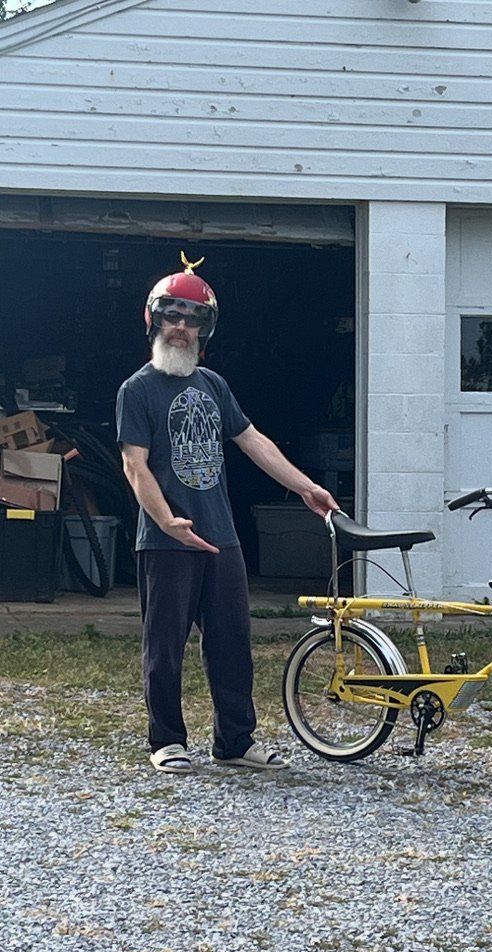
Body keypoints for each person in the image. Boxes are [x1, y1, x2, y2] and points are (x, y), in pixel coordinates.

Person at [115, 252, 338, 774]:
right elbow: (133, 464)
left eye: (192, 319)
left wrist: (306, 487)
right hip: (166, 539)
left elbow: (253, 440)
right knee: (164, 648)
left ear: (204, 329)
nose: (181, 327)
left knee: (233, 645)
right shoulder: (136, 390)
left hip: (221, 536)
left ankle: (235, 742)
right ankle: (166, 741)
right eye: (172, 316)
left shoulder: (213, 386)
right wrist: (166, 520)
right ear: (154, 320)